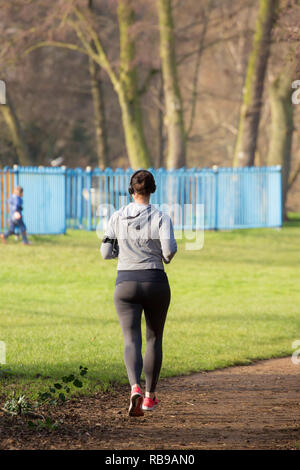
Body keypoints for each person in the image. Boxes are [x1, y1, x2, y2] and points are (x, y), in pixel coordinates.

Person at [100, 169, 177, 417]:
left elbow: (105, 252)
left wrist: (118, 254)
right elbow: (169, 250)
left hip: (125, 282)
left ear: (131, 191)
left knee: (130, 339)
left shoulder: (116, 216)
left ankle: (134, 387)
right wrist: (164, 257)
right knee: (154, 338)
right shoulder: (161, 217)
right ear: (152, 190)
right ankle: (149, 397)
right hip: (155, 280)